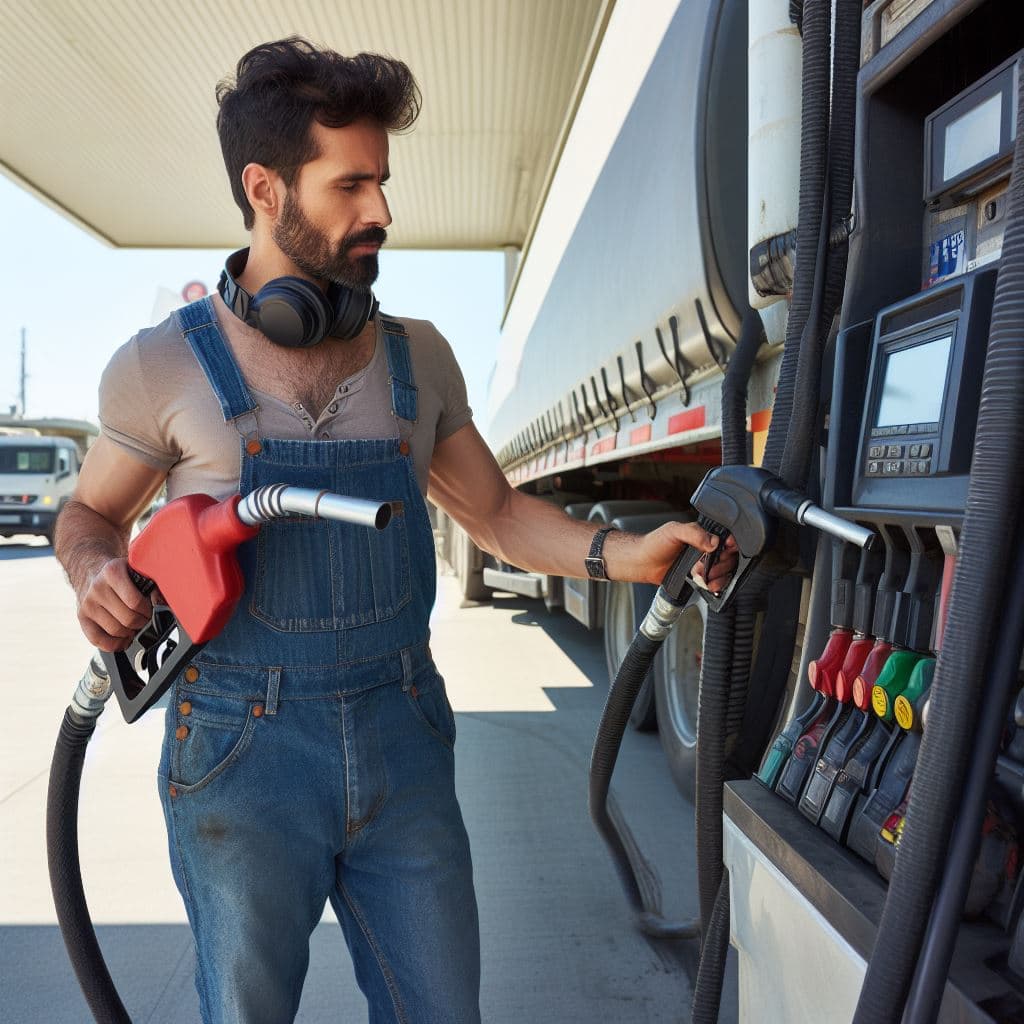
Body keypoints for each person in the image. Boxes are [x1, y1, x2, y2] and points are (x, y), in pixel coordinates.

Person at [55, 37, 734, 1024]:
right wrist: (91, 572)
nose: (381, 210)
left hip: (399, 727)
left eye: (383, 180)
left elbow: (496, 514)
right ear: (265, 188)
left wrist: (628, 552)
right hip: (241, 748)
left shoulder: (420, 358)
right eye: (351, 184)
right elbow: (90, 514)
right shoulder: (163, 367)